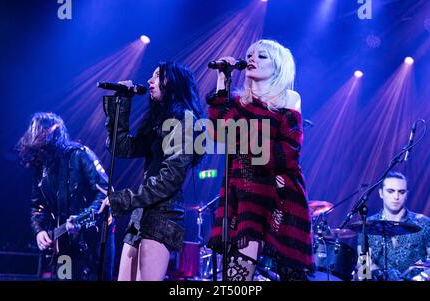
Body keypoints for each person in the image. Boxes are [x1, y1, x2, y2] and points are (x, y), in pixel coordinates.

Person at [206, 39, 313, 281]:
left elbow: (288, 152)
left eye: (262, 56)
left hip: (280, 196)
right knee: (235, 279)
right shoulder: (235, 102)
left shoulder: (288, 99)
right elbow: (219, 132)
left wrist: (244, 139)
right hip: (242, 195)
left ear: (278, 66)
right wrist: (222, 81)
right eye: (250, 55)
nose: (252, 58)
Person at [99, 61, 204, 281]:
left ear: (173, 82)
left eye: (157, 76)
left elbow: (170, 179)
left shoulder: (184, 119)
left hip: (163, 213)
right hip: (141, 213)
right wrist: (123, 101)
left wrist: (124, 199)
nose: (149, 81)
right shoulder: (159, 123)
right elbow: (121, 147)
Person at [17, 112, 115, 280]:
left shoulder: (79, 155)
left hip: (93, 239)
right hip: (63, 243)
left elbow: (104, 193)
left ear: (53, 130)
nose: (35, 134)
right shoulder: (41, 167)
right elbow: (37, 206)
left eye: (40, 129)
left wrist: (81, 219)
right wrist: (39, 231)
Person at [357, 171, 430, 281]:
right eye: (390, 191)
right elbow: (364, 266)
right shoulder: (367, 225)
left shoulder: (423, 223)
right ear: (381, 193)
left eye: (401, 192)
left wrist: (424, 276)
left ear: (406, 195)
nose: (396, 196)